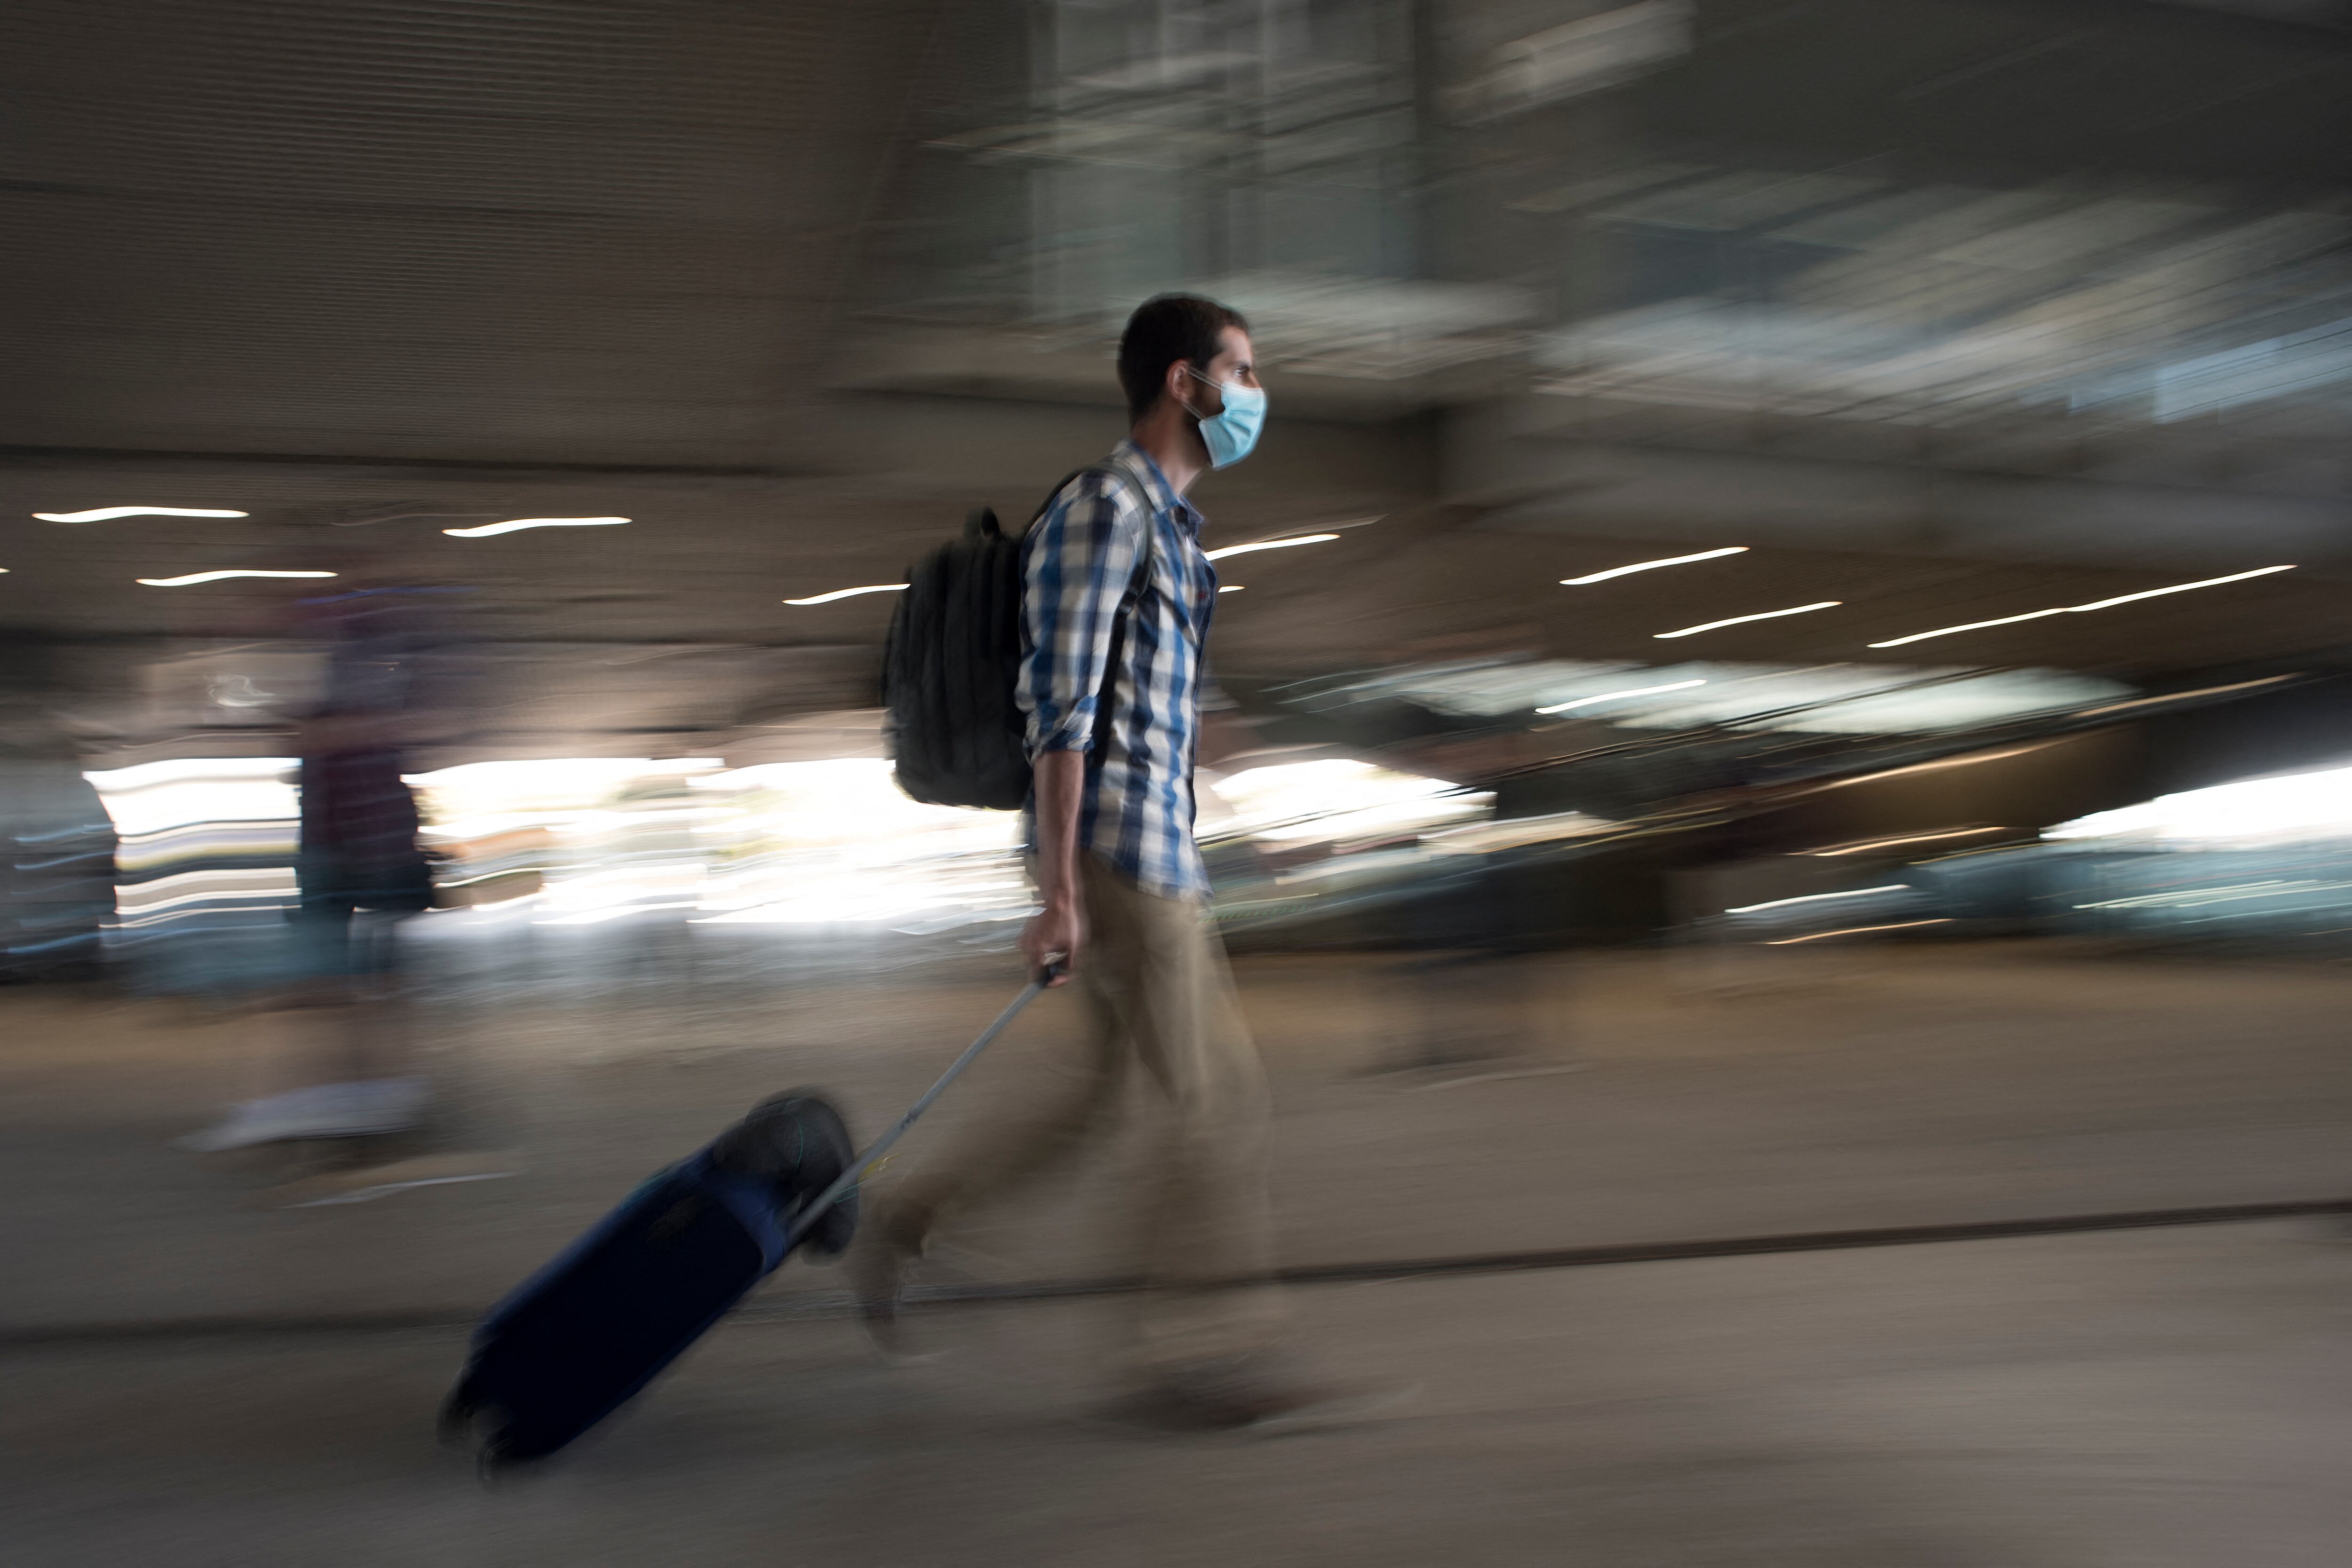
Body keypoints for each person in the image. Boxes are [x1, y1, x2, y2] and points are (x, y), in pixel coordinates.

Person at [852, 294, 1388, 1432]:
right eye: (1241, 372)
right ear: (1183, 383)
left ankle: (903, 1217)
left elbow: (1174, 709)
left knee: (1108, 1094)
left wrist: (1257, 816)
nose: (1255, 394)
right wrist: (1056, 890)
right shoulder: (1104, 507)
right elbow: (1064, 705)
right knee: (1213, 1099)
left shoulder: (1172, 531)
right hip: (1114, 852)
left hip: (1152, 847)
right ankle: (1199, 1352)